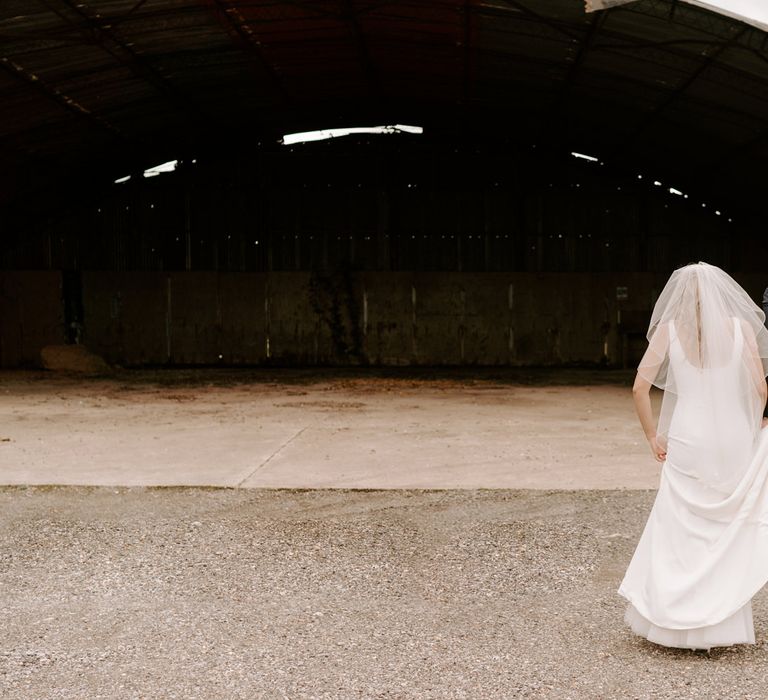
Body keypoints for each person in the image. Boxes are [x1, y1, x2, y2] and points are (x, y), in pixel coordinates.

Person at [619, 261, 768, 650]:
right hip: (733, 438)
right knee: (725, 526)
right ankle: (722, 623)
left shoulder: (669, 331)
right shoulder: (741, 330)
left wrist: (653, 436)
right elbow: (761, 390)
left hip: (687, 438)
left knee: (682, 525)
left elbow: (639, 388)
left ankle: (674, 622)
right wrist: (751, 426)